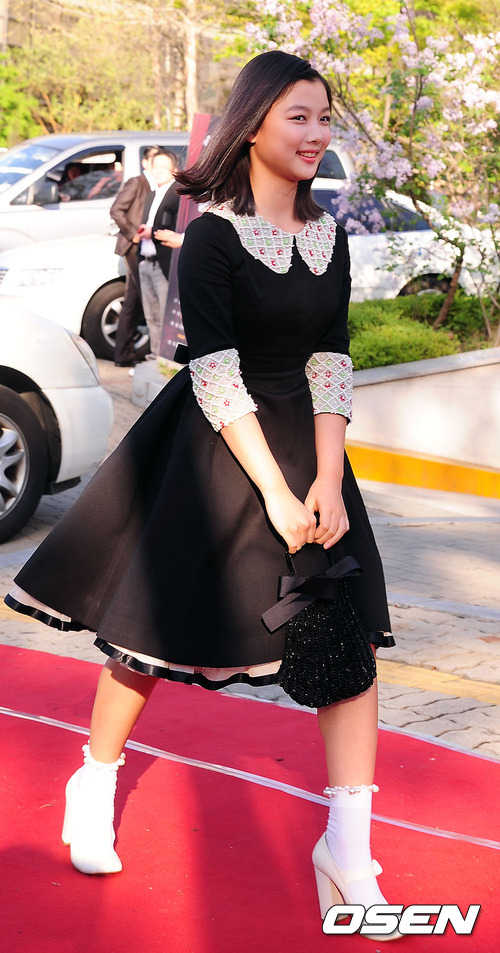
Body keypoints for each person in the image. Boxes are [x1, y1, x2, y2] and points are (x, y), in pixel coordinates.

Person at [5, 51, 399, 939]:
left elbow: (331, 358)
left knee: (347, 646)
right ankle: (94, 781)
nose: (317, 134)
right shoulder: (214, 234)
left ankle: (348, 848)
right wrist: (277, 493)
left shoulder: (330, 235)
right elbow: (214, 369)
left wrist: (327, 479)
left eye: (324, 118)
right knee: (148, 641)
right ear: (252, 124)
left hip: (309, 448)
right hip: (217, 447)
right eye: (299, 117)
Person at [110, 146, 160, 367]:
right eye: (154, 161)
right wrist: (133, 234)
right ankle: (125, 353)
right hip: (133, 246)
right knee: (139, 298)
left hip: (144, 245)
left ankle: (124, 354)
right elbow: (116, 210)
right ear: (145, 163)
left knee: (133, 300)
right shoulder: (137, 182)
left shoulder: (156, 185)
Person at [137, 149, 180, 359]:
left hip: (164, 262)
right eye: (156, 167)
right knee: (150, 316)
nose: (159, 171)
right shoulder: (151, 194)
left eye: (164, 167)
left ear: (175, 169)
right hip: (145, 261)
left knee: (165, 315)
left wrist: (151, 232)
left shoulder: (178, 194)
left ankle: (165, 358)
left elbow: (172, 228)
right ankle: (155, 356)